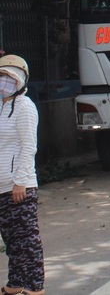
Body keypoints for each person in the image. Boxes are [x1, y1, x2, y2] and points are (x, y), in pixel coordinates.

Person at [0, 55, 44, 295]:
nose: (5, 81)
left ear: (20, 80)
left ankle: (35, 287)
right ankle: (15, 284)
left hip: (19, 185)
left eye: (9, 77)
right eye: (1, 76)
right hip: (1, 185)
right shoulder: (0, 106)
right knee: (12, 242)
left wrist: (20, 183)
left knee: (28, 240)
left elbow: (29, 146)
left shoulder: (25, 107)